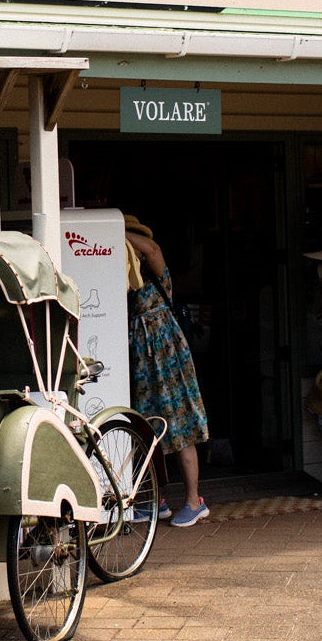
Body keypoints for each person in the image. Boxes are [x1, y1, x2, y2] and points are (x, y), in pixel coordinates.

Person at [125, 214, 210, 527]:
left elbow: (153, 249)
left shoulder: (157, 275)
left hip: (167, 358)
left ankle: (194, 500)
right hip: (143, 362)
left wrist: (118, 234)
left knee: (179, 424)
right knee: (147, 427)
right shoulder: (126, 282)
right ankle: (154, 498)